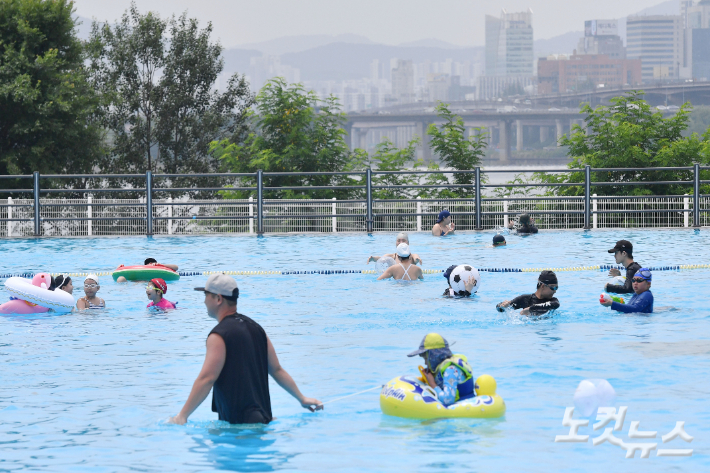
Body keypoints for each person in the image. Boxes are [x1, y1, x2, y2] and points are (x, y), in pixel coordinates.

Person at [168, 274, 322, 425]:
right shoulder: (256, 328)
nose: (204, 301)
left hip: (239, 428)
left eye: (206, 295)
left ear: (218, 299)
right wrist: (301, 398)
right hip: (263, 419)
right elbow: (276, 370)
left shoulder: (218, 335)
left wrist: (182, 415)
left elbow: (207, 378)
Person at [407, 333, 475, 406]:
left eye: (426, 359)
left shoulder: (450, 370)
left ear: (434, 357)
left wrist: (433, 384)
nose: (425, 363)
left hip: (464, 407)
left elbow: (448, 400)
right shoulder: (443, 368)